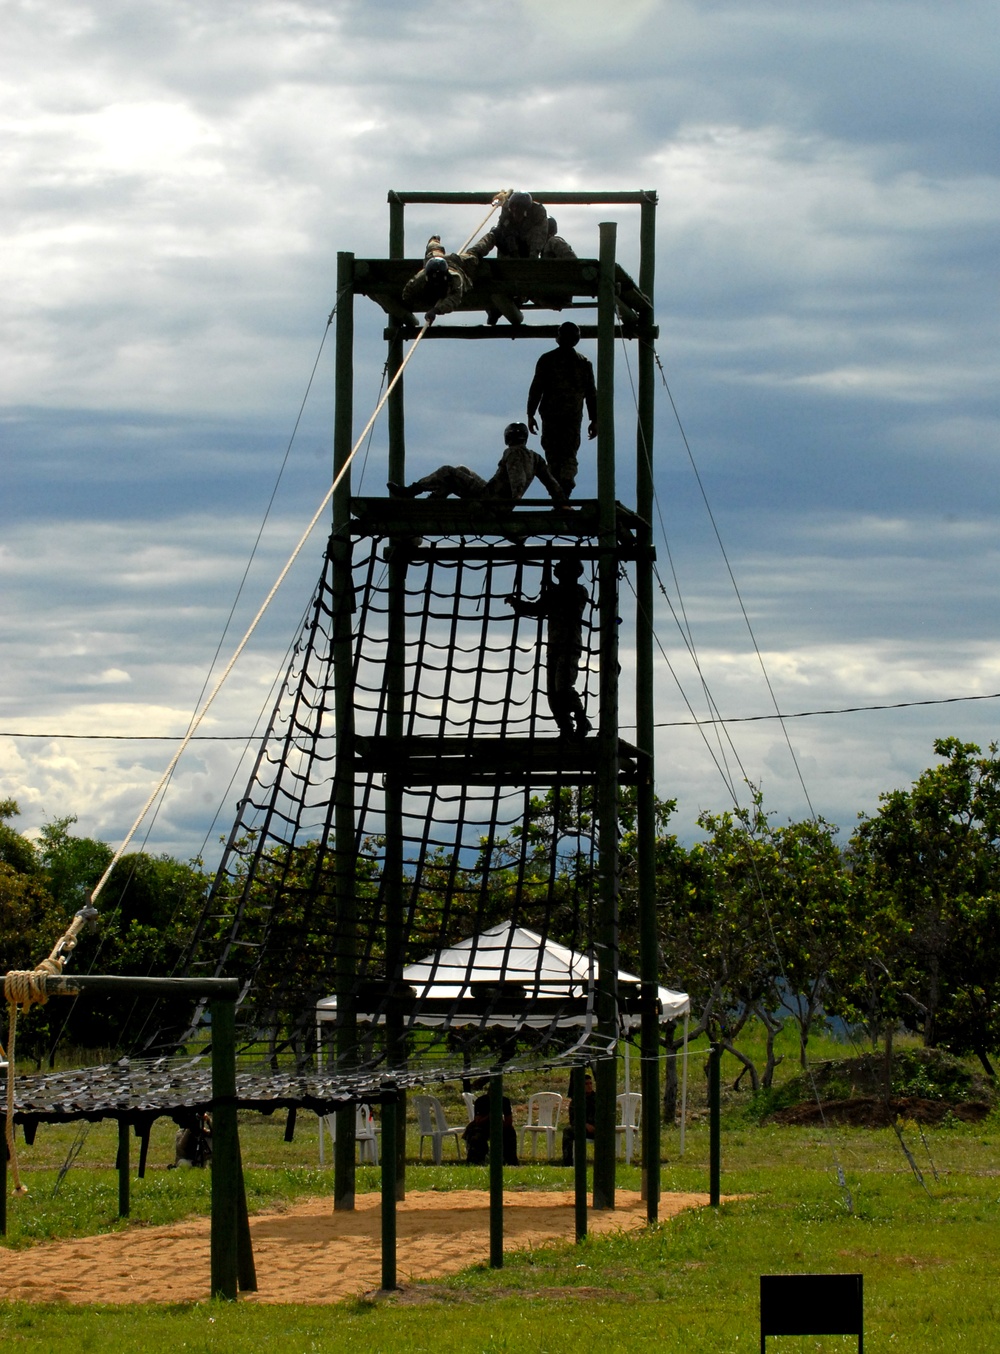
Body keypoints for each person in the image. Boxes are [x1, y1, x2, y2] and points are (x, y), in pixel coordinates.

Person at [506, 558, 592, 740]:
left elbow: (563, 601)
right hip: (553, 647)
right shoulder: (554, 593)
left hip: (570, 645)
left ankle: (581, 719)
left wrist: (550, 589)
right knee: (553, 694)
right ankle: (566, 727)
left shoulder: (578, 591)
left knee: (563, 686)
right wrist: (517, 604)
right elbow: (538, 609)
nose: (557, 570)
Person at [387, 422, 569, 507]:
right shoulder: (535, 458)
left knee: (448, 472)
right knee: (462, 470)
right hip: (494, 496)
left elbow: (518, 480)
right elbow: (551, 483)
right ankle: (433, 501)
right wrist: (563, 503)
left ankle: (413, 491)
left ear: (508, 438)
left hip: (489, 499)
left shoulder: (511, 453)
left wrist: (511, 503)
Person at [526, 322, 597, 497]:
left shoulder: (548, 359)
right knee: (568, 455)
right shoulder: (584, 363)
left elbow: (536, 389)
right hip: (571, 417)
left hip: (552, 416)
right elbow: (591, 395)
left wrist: (530, 413)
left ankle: (559, 491)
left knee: (554, 454)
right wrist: (594, 419)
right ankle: (563, 488)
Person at [401, 235, 479, 326]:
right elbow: (407, 292)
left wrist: (436, 310)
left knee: (474, 255)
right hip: (435, 258)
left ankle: (493, 234)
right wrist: (412, 301)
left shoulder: (455, 278)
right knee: (433, 249)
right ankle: (434, 240)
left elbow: (454, 298)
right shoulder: (420, 278)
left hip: (455, 264)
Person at [468, 191, 550, 261]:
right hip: (510, 246)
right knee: (494, 232)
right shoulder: (507, 209)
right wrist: (514, 253)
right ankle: (472, 255)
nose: (515, 216)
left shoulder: (538, 212)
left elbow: (539, 236)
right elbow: (504, 230)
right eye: (513, 213)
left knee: (535, 236)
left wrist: (532, 258)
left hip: (527, 247)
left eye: (519, 213)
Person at [463, 1079, 519, 1166]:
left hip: (498, 1124)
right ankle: (475, 1161)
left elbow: (508, 1121)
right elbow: (478, 1121)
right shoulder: (481, 1101)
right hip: (482, 1125)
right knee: (477, 1137)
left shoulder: (505, 1101)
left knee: (510, 1133)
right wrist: (490, 1115)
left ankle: (509, 1160)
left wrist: (501, 1124)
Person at [561, 1072, 596, 1166]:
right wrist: (585, 1125)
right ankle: (568, 1162)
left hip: (597, 1129)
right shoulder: (577, 1100)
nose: (589, 1086)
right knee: (567, 1131)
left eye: (590, 1083)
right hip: (582, 1128)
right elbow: (573, 1119)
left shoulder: (597, 1099)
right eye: (586, 1084)